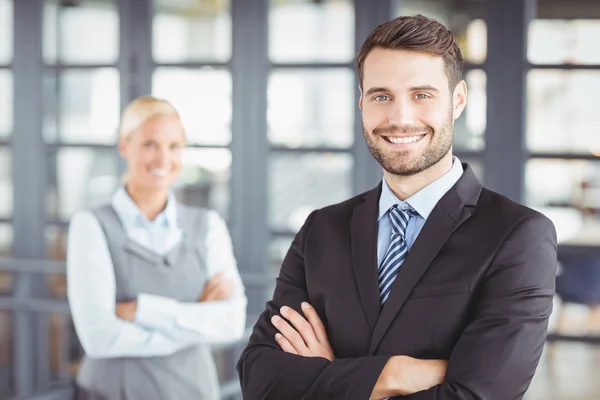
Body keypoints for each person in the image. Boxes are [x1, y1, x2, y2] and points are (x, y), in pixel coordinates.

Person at [237, 14, 557, 400]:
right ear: (362, 103)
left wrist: (328, 376)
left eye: (421, 95)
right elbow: (259, 377)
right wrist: (395, 373)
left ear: (457, 101)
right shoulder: (321, 230)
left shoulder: (517, 236)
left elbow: (477, 395)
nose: (400, 118)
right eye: (381, 96)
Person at [67, 95, 247, 400]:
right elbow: (98, 338)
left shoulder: (208, 225)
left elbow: (231, 323)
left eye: (174, 146)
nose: (164, 159)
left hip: (195, 391)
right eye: (150, 145)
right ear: (125, 145)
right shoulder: (91, 225)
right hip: (113, 392)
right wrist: (195, 318)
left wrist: (142, 311)